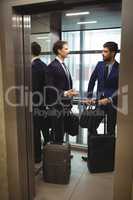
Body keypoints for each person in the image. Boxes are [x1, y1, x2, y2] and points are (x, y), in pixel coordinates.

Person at [82, 41, 119, 161]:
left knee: (110, 131)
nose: (102, 54)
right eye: (102, 51)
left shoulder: (120, 68)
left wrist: (109, 99)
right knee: (91, 125)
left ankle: (108, 157)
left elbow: (122, 88)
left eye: (105, 51)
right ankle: (95, 152)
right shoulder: (99, 65)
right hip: (99, 103)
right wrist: (88, 97)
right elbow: (92, 81)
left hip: (113, 104)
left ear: (113, 53)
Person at [46, 40, 78, 144]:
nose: (68, 51)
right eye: (66, 49)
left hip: (65, 105)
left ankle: (61, 153)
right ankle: (57, 155)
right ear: (59, 51)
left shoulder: (63, 65)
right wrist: (65, 93)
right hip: (57, 106)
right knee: (58, 132)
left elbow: (64, 83)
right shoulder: (52, 66)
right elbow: (50, 87)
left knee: (62, 130)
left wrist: (70, 91)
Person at [31, 42, 49, 163]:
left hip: (35, 103)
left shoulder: (33, 67)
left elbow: (34, 87)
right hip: (43, 103)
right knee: (44, 128)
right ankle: (49, 153)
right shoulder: (44, 65)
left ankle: (37, 156)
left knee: (36, 130)